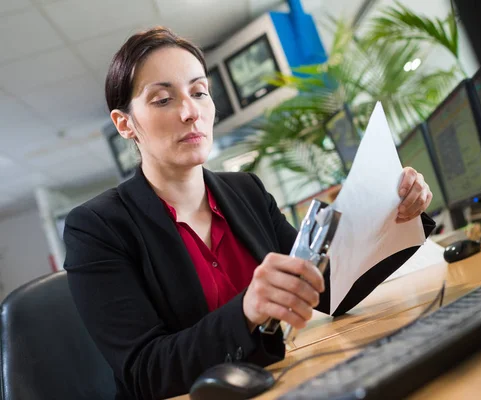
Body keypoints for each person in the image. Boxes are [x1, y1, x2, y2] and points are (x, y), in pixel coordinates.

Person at [63, 27, 434, 400]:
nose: (191, 112)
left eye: (199, 92)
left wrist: (397, 214)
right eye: (162, 99)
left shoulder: (246, 192)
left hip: (281, 384)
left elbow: (330, 289)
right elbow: (146, 373)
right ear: (125, 123)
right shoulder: (96, 228)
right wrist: (245, 311)